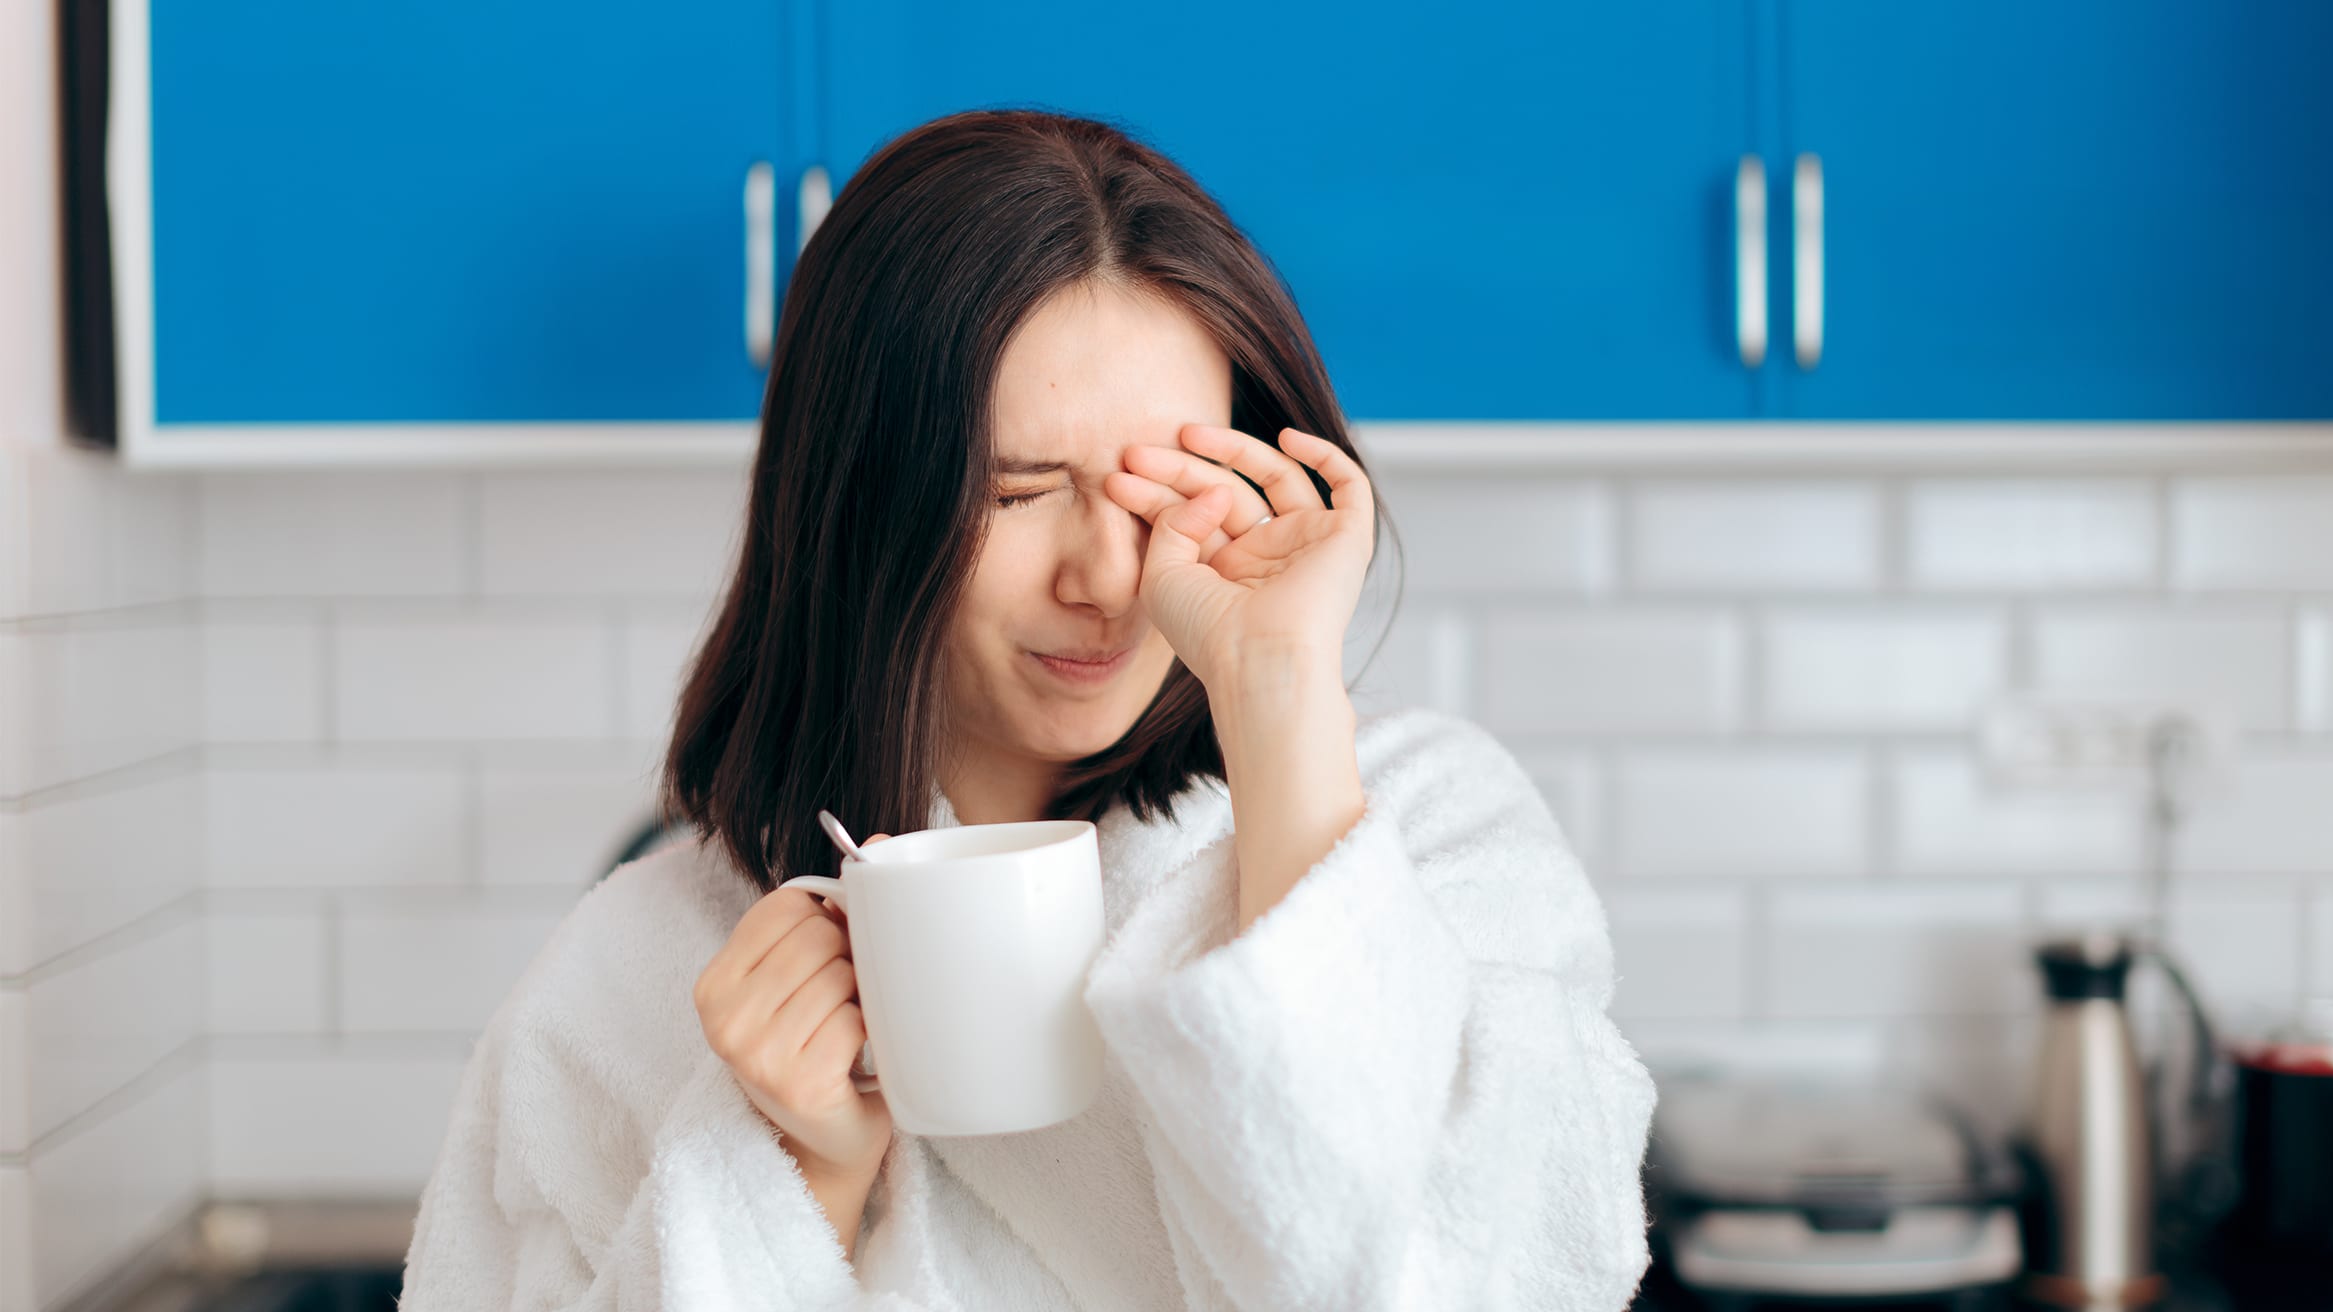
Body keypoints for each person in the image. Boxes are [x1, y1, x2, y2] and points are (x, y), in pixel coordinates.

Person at [397, 108, 1656, 1311]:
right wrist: (793, 1180)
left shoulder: (1434, 832)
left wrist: (1279, 703)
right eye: (1012, 492)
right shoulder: (634, 977)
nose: (1107, 576)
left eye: (1170, 484)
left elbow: (1469, 1274)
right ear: (858, 506)